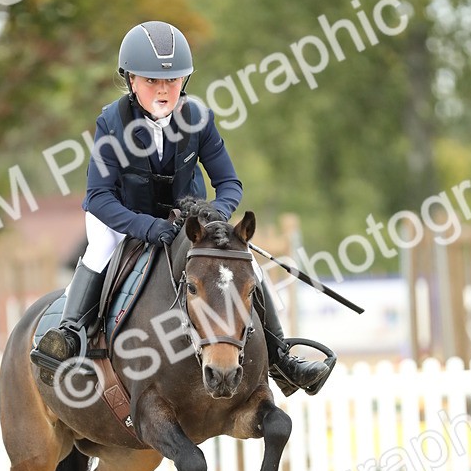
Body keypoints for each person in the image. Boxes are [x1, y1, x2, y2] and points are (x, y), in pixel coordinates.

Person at [30, 20, 333, 396]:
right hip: (122, 215)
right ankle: (69, 335)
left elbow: (229, 183)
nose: (163, 90)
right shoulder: (112, 123)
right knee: (101, 247)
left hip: (189, 222)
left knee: (247, 265)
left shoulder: (198, 120)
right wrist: (146, 226)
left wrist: (216, 214)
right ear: (131, 81)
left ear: (183, 81)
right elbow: (99, 197)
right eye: (151, 81)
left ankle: (281, 358)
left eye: (171, 80)